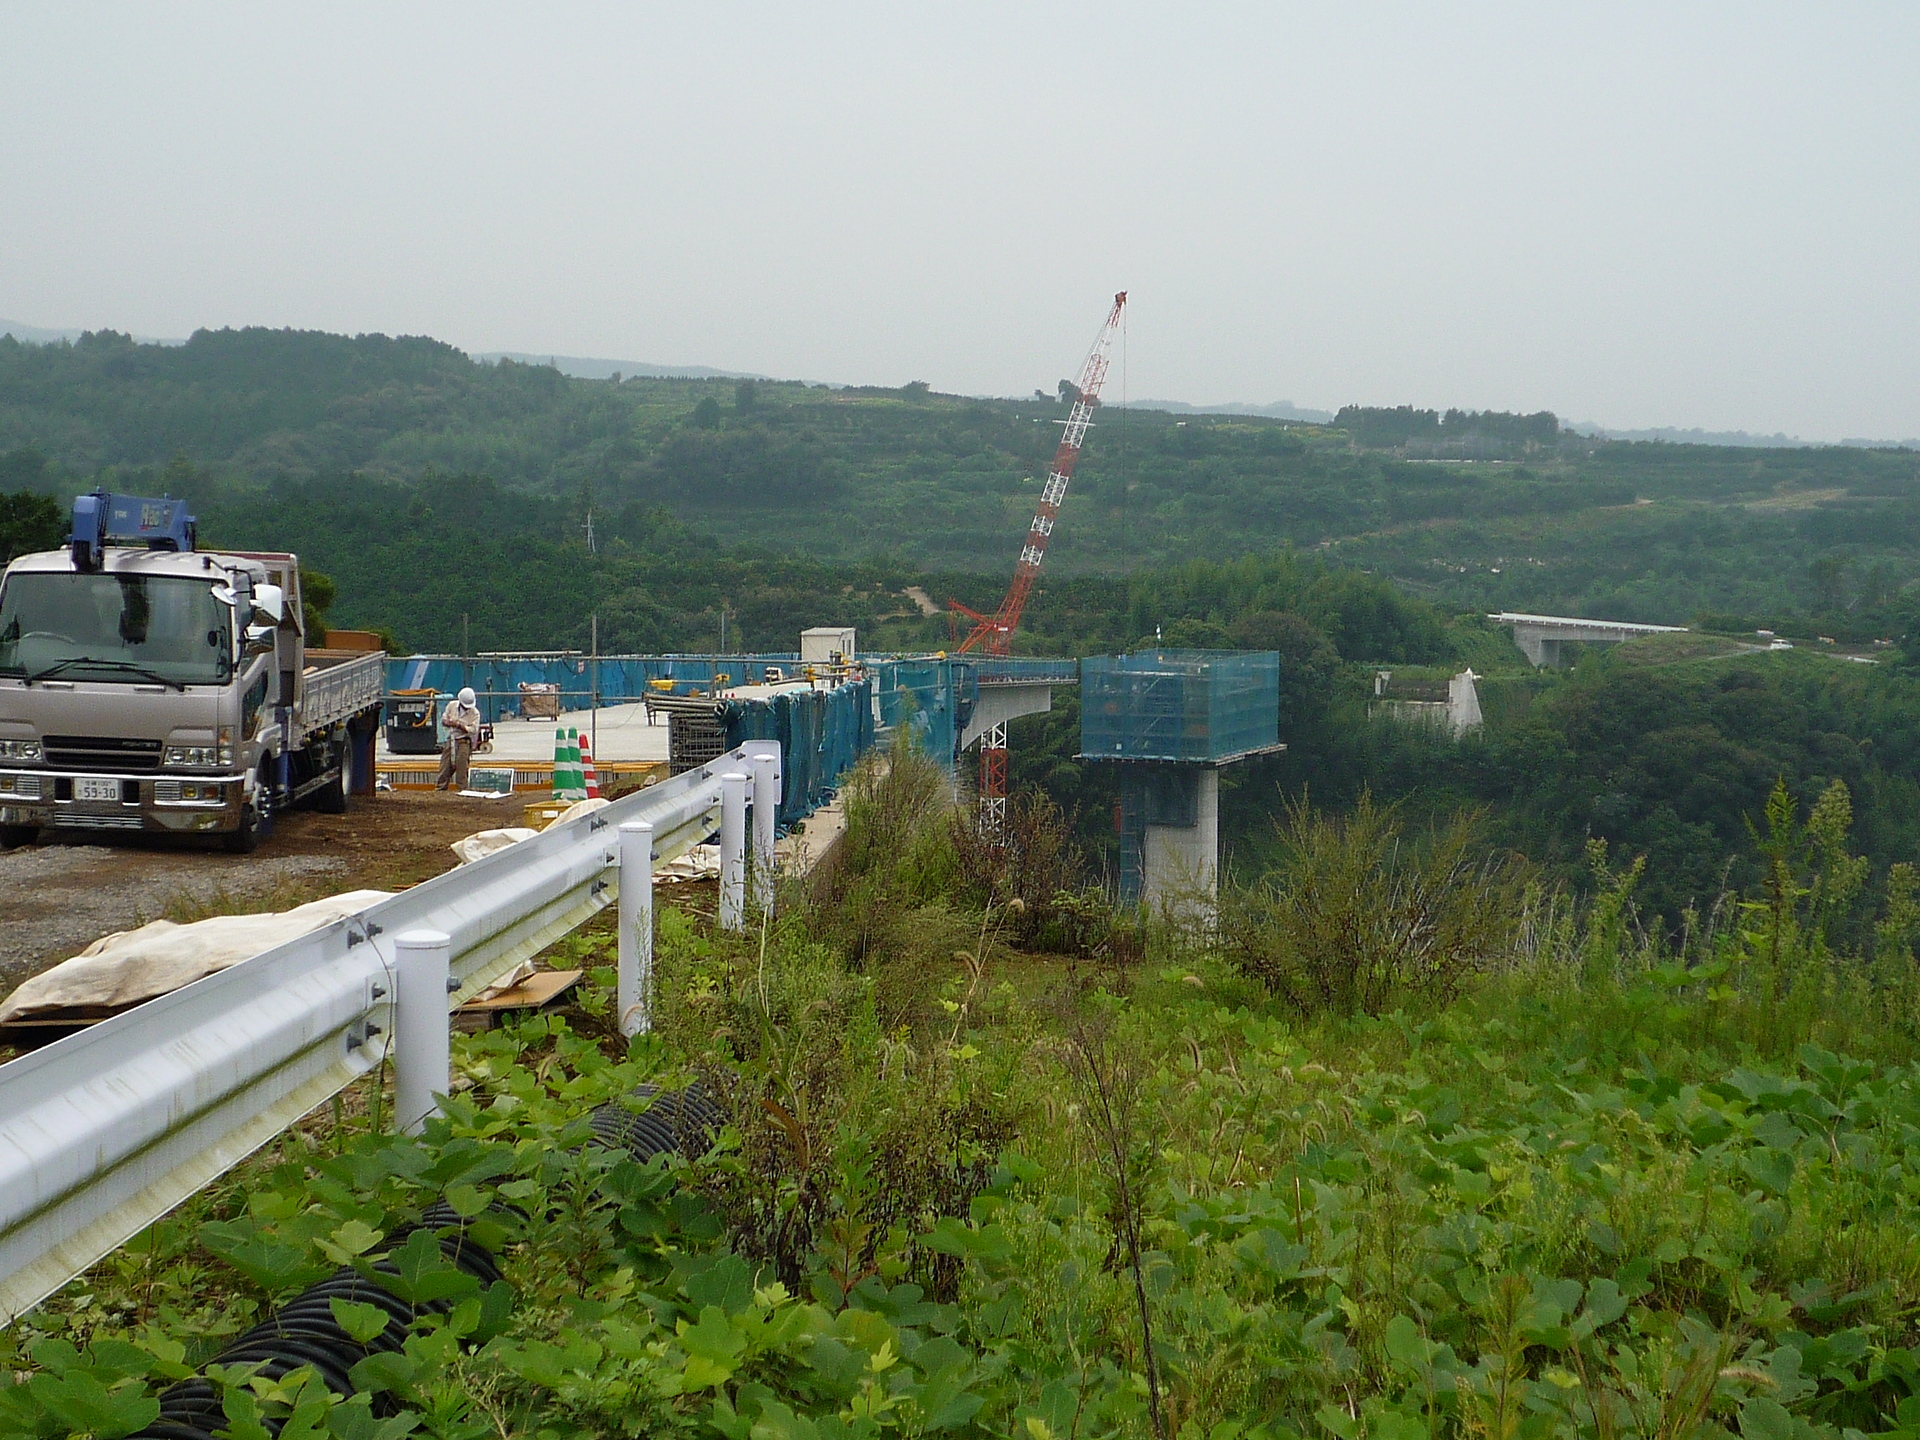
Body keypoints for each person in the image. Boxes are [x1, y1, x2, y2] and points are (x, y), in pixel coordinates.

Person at [436, 687, 481, 791]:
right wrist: (448, 722)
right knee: (445, 767)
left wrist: (460, 726)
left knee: (461, 768)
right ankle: (440, 789)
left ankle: (462, 790)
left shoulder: (474, 713)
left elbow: (473, 730)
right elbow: (444, 719)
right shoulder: (452, 706)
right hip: (451, 740)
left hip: (464, 741)